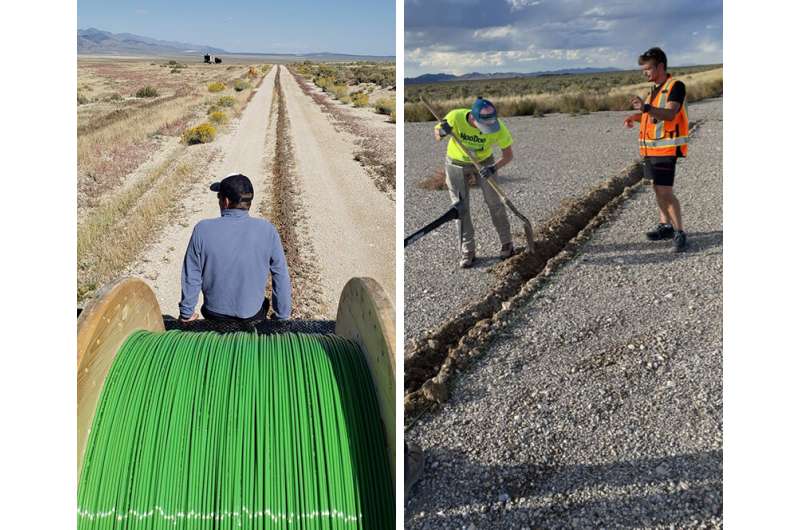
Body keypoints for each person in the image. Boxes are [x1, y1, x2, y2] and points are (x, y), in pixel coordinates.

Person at [178, 173, 292, 323]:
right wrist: (282, 316)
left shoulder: (202, 229)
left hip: (214, 316)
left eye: (219, 196)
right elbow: (280, 275)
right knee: (262, 304)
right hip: (253, 316)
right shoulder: (267, 230)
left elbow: (191, 275)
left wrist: (186, 314)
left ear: (225, 201)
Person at [434, 97, 515, 268]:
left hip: (485, 162)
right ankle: (468, 250)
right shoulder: (455, 117)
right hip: (456, 162)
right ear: (473, 118)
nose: (487, 130)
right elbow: (436, 135)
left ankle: (507, 242)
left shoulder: (498, 127)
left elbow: (508, 155)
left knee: (495, 203)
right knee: (460, 208)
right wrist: (442, 132)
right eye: (483, 126)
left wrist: (493, 168)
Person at [624, 47, 690, 252]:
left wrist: (645, 108)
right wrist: (636, 117)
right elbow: (653, 116)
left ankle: (680, 232)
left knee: (665, 191)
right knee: (657, 188)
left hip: (666, 148)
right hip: (651, 149)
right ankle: (665, 226)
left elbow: (670, 114)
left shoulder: (675, 86)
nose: (645, 73)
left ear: (660, 66)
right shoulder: (655, 89)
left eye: (648, 68)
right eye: (643, 69)